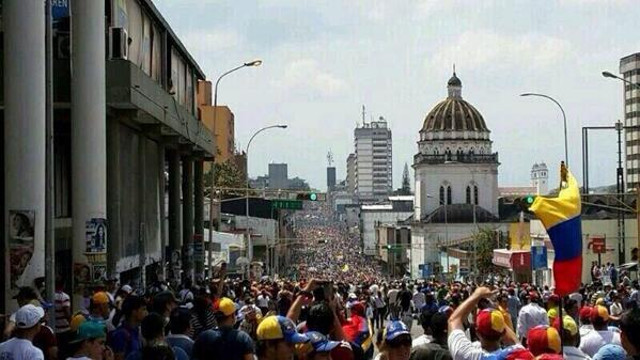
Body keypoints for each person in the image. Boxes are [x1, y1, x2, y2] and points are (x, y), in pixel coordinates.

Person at [448, 287, 521, 360]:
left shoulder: (467, 355)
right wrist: (494, 313)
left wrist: (477, 295)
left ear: (477, 333)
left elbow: (454, 320)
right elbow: (514, 340)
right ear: (503, 333)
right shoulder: (519, 355)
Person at [108, 295, 147, 360]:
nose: (146, 313)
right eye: (143, 309)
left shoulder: (137, 330)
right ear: (134, 312)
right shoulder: (120, 334)